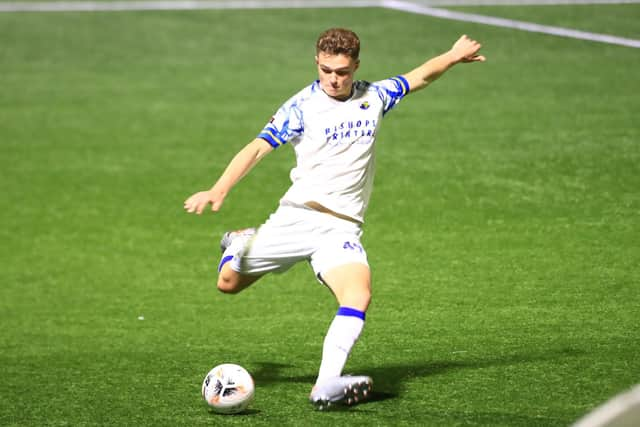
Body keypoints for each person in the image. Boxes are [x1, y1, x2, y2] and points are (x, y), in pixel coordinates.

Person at [184, 28, 485, 410]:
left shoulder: (374, 96)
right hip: (297, 218)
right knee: (228, 284)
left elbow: (419, 77)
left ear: (355, 66)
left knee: (359, 292)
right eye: (326, 70)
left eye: (342, 71)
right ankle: (243, 242)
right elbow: (257, 148)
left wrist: (452, 55)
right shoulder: (302, 106)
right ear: (317, 63)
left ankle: (326, 384)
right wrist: (219, 188)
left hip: (341, 228)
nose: (333, 79)